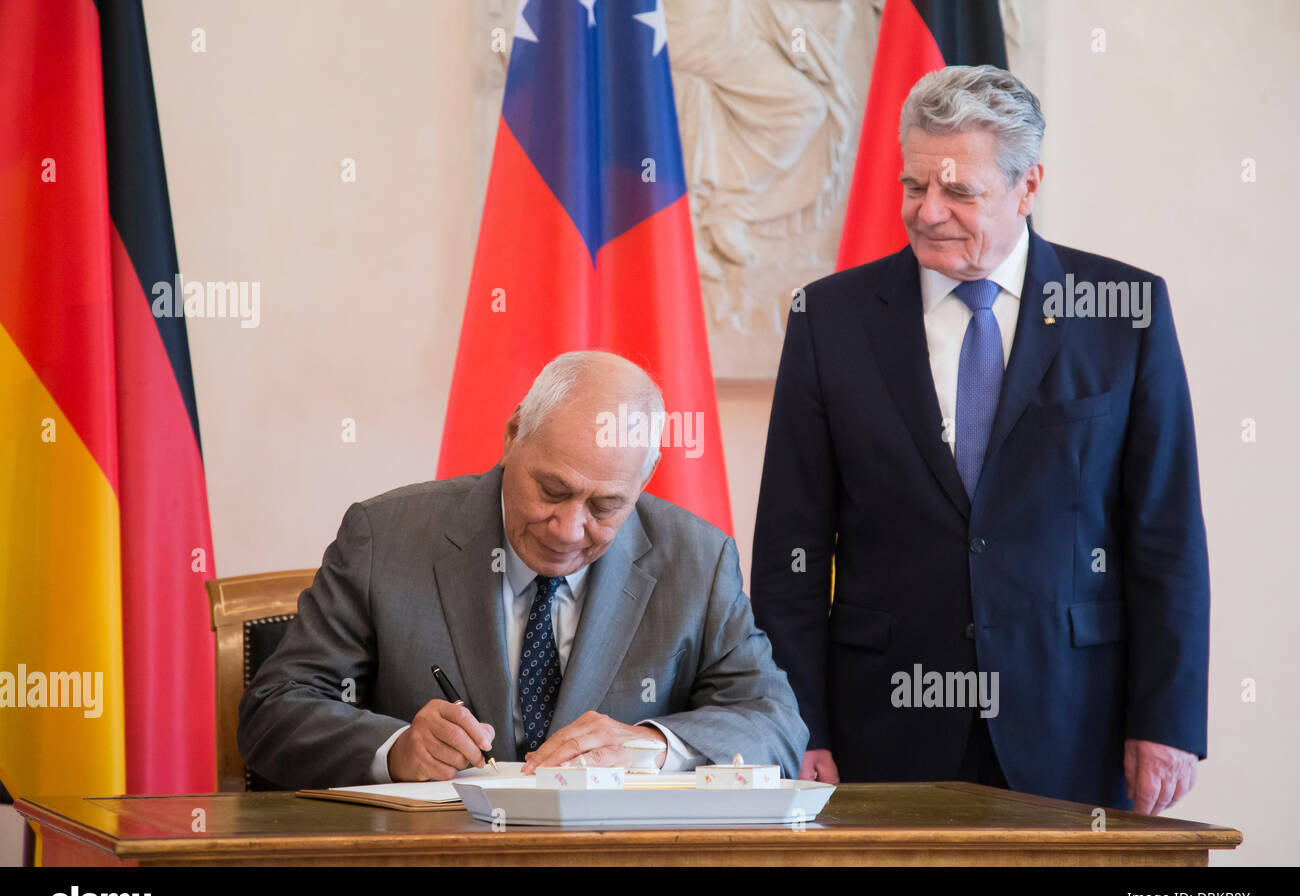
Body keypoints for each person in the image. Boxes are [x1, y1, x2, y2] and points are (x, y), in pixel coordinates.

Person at [750, 65, 1209, 813]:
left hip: (1073, 720)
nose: (928, 212)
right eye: (913, 187)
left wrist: (1166, 720)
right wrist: (793, 723)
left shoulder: (1124, 312)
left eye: (960, 191)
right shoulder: (828, 320)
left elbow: (1166, 535)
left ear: (1028, 187)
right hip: (879, 728)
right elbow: (787, 554)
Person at [239, 351, 807, 788]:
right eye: (552, 490)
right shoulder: (384, 538)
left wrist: (652, 747)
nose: (567, 528)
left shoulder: (698, 559)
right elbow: (274, 711)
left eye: (605, 506)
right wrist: (395, 749)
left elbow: (775, 723)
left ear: (644, 481)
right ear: (514, 436)